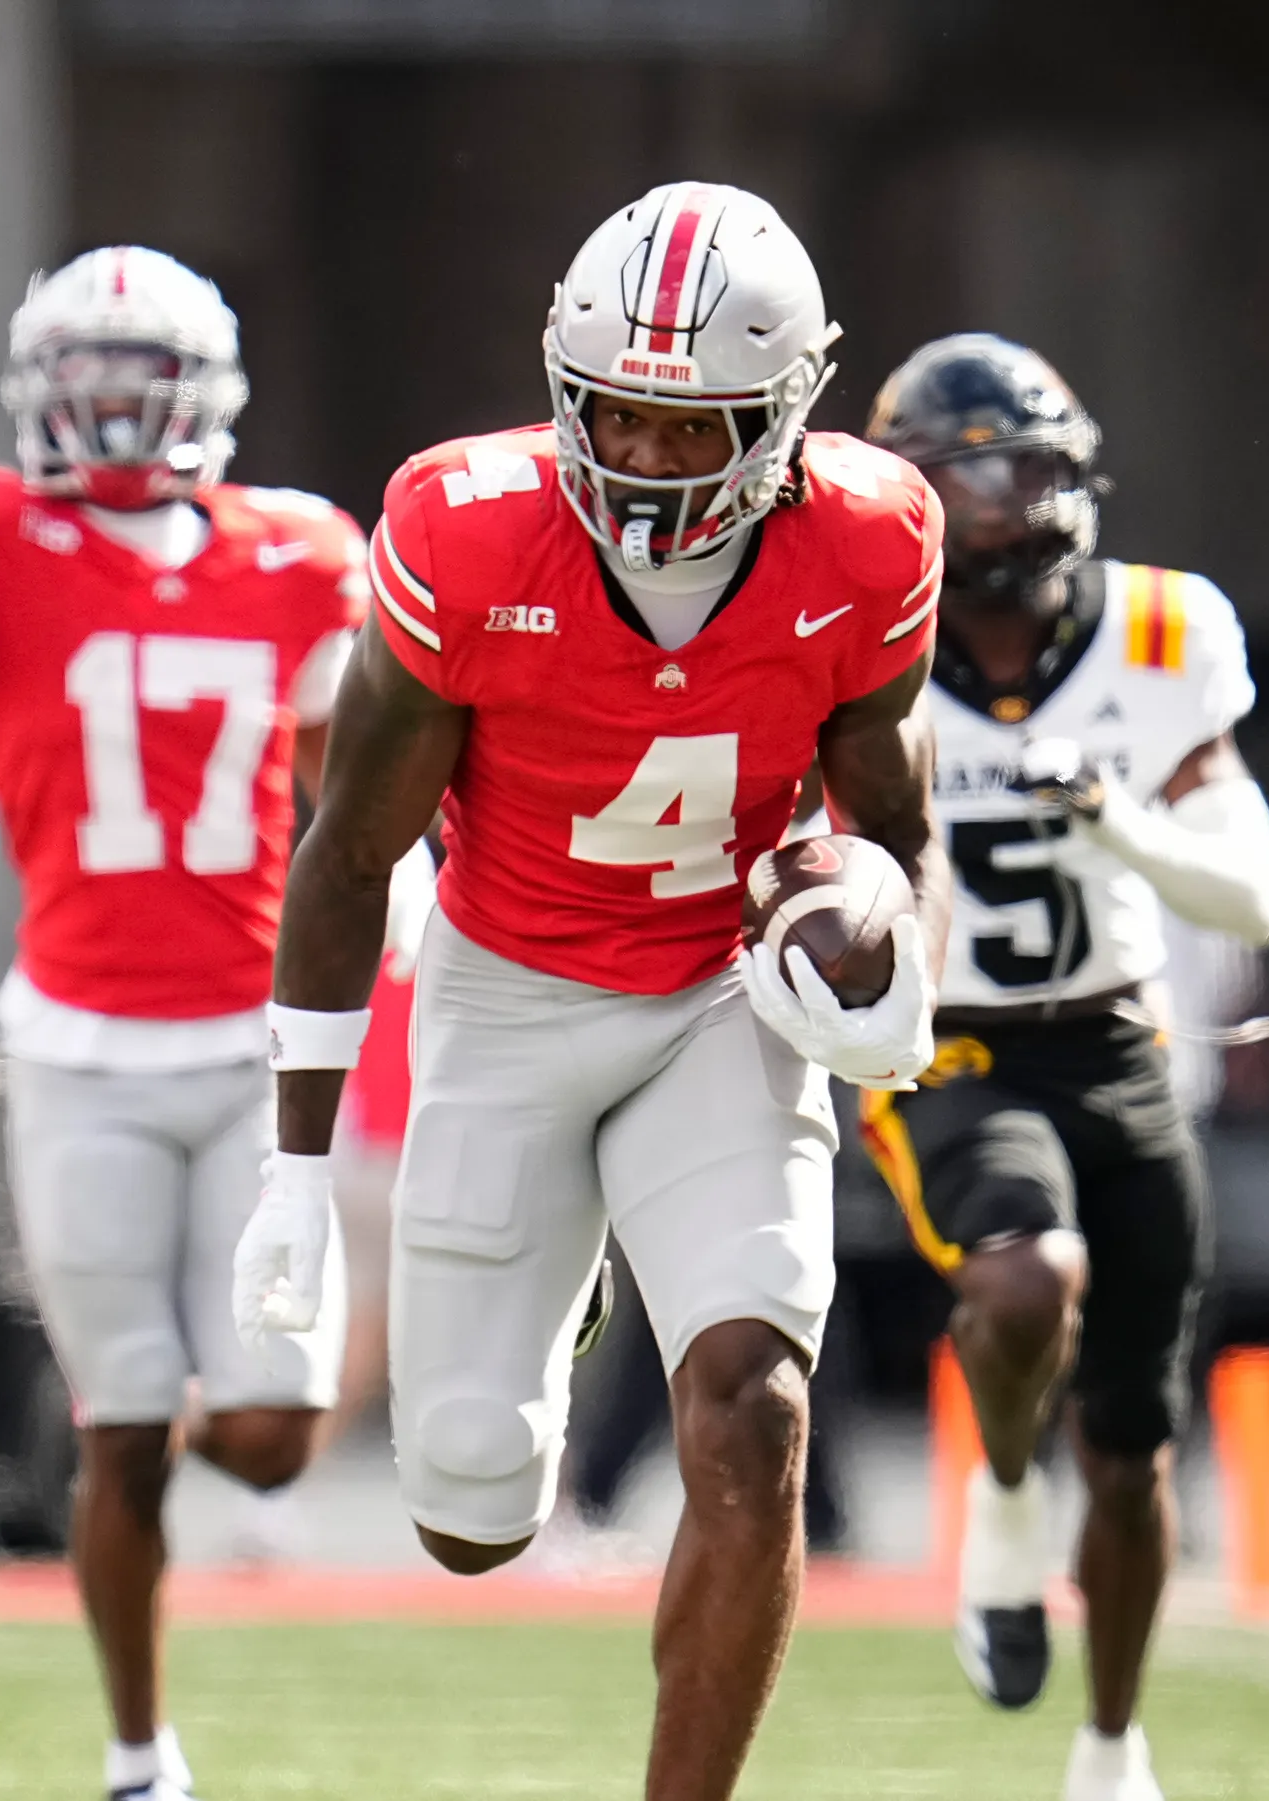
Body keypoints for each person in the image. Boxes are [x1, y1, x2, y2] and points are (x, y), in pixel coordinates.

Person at [233, 182, 951, 1801]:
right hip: (508, 992)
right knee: (469, 1513)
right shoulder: (465, 528)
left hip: (718, 997)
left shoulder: (867, 535)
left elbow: (893, 827)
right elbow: (350, 852)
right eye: (617, 415)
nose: (643, 458)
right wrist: (295, 1164)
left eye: (691, 428)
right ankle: (566, 1289)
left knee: (755, 1414)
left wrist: (898, 962)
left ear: (783, 416)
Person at [0, 111, 373, 1801]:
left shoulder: (299, 553)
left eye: (149, 383)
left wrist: (406, 876)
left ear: (207, 395)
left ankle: (157, 1395)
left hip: (257, 1052)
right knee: (122, 1445)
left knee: (269, 1438)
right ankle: (142, 1754)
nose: (121, 414)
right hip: (79, 1050)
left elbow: (347, 776)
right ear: (40, 392)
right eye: (93, 381)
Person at [861, 334, 1269, 1801]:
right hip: (949, 1046)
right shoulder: (856, 644)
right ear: (914, 494)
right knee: (1022, 1278)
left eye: (1035, 468)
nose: (1012, 502)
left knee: (1131, 1448)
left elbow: (1256, 897)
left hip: (1117, 1039)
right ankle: (997, 1501)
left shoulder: (1163, 629)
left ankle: (1111, 1749)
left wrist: (1118, 818)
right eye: (975, 476)